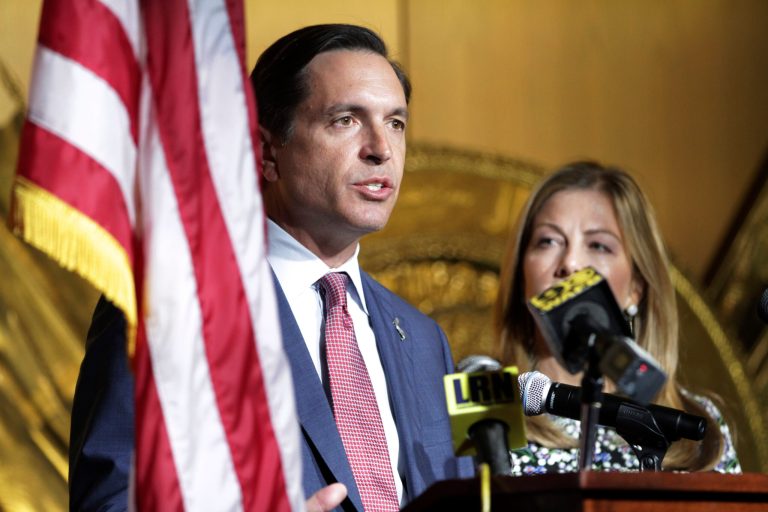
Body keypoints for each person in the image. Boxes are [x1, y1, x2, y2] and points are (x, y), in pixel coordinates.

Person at [69, 24, 471, 511]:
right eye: (346, 120)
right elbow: (110, 501)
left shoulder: (426, 341)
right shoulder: (170, 309)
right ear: (265, 151)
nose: (381, 149)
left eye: (396, 123)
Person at [494, 160, 742, 474]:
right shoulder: (485, 402)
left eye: (599, 245)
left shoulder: (696, 420)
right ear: (521, 277)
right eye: (548, 241)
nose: (570, 263)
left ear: (636, 288)